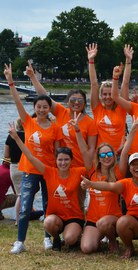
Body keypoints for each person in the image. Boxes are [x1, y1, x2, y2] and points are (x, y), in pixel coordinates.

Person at [5, 63, 61, 253]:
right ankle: (20, 241)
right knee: (25, 206)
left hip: (48, 171)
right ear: (35, 108)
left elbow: (58, 151)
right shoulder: (28, 122)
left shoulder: (55, 128)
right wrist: (11, 82)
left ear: (49, 109)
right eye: (39, 107)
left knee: (48, 205)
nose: (42, 109)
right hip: (29, 170)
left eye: (46, 107)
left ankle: (47, 238)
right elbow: (18, 103)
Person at [8, 124, 85, 252]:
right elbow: (31, 157)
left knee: (70, 239)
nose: (63, 163)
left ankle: (72, 237)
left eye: (66, 160)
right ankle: (55, 238)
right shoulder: (49, 172)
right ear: (55, 160)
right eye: (60, 160)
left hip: (73, 216)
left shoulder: (78, 171)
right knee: (48, 222)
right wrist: (16, 138)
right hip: (56, 217)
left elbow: (89, 159)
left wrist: (77, 130)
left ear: (71, 161)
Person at [81, 150, 138, 260]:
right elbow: (109, 186)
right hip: (133, 224)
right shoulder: (126, 183)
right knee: (122, 221)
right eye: (133, 164)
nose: (136, 167)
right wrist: (91, 184)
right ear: (129, 168)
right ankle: (129, 247)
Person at [74, 113, 134, 254]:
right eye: (102, 155)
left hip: (112, 220)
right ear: (98, 158)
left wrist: (133, 131)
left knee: (104, 223)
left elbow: (125, 152)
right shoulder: (92, 171)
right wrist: (77, 130)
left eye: (109, 155)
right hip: (93, 219)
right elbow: (83, 149)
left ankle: (112, 240)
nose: (106, 158)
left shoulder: (119, 172)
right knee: (87, 248)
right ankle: (100, 238)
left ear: (113, 157)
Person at [28, 62, 97, 168]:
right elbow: (44, 96)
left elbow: (92, 148)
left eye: (80, 100)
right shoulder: (61, 111)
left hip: (79, 165)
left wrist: (89, 167)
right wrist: (33, 77)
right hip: (60, 164)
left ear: (84, 104)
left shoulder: (90, 122)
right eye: (73, 100)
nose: (76, 103)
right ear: (67, 102)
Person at [87, 44, 132, 153]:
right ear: (101, 96)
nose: (108, 97)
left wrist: (128, 60)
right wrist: (91, 60)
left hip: (119, 153)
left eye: (110, 94)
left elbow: (125, 83)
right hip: (101, 155)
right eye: (105, 94)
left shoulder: (121, 108)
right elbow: (94, 84)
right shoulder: (97, 109)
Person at [3, 118, 24, 225]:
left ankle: (19, 218)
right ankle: (18, 219)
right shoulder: (28, 136)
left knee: (20, 194)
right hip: (25, 166)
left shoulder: (10, 136)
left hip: (14, 167)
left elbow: (6, 155)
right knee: (23, 195)